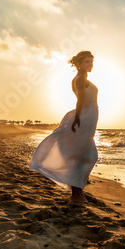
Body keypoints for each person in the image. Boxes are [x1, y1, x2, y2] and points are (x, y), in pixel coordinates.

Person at [29, 50, 99, 203]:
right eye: (87, 61)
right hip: (85, 117)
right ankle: (75, 194)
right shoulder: (80, 79)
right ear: (79, 64)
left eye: (91, 61)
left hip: (88, 117)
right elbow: (80, 100)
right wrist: (78, 118)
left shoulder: (82, 78)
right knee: (85, 155)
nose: (90, 64)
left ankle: (78, 192)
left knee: (83, 155)